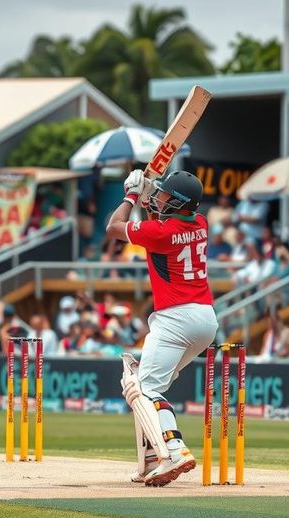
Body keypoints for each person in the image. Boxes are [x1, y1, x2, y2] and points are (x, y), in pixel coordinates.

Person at [103, 168, 218, 487]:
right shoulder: (201, 223)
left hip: (175, 318)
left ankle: (175, 450)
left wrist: (131, 194)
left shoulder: (161, 233)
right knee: (142, 386)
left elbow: (113, 227)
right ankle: (152, 457)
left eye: (166, 194)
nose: (160, 197)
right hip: (206, 320)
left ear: (179, 202)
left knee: (144, 389)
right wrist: (149, 189)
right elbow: (160, 214)